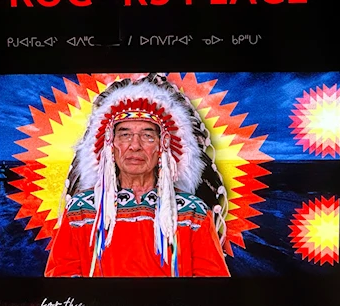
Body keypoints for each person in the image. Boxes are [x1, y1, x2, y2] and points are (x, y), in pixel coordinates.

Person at [47, 73, 231, 277]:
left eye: (148, 136)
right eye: (125, 134)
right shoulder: (81, 211)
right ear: (110, 145)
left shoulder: (192, 213)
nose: (135, 146)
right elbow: (61, 276)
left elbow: (213, 283)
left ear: (164, 146)